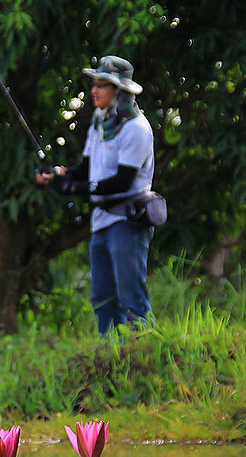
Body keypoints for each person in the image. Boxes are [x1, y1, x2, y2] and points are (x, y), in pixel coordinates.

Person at [35, 55, 155, 336]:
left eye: (103, 85)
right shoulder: (99, 124)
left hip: (126, 221)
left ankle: (144, 358)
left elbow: (122, 181)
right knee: (102, 299)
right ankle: (109, 361)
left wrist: (75, 188)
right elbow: (87, 170)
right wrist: (58, 176)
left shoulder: (136, 128)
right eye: (94, 84)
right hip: (101, 222)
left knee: (131, 301)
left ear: (120, 91)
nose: (94, 90)